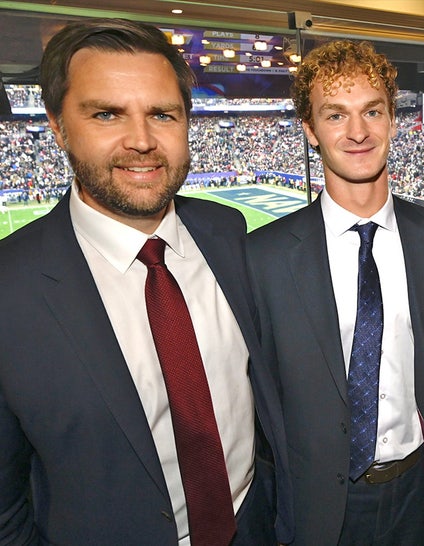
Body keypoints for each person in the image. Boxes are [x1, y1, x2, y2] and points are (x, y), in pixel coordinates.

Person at [0, 18, 293, 545]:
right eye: (106, 113)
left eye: (162, 114)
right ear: (58, 126)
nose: (141, 140)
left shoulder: (226, 231)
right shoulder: (11, 286)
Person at [246, 40, 424, 545]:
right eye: (335, 115)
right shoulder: (264, 255)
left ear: (392, 120)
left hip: (414, 489)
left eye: (372, 111)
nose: (358, 131)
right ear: (310, 130)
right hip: (315, 499)